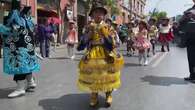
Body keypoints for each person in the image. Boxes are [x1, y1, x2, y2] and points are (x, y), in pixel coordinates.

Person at [77, 1, 124, 107]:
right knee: (94, 76)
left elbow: (112, 44)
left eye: (101, 12)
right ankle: (94, 96)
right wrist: (87, 37)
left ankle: (108, 95)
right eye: (96, 12)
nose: (98, 15)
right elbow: (80, 45)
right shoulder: (88, 27)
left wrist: (104, 35)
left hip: (106, 54)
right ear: (92, 15)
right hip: (92, 54)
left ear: (104, 15)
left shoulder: (108, 27)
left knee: (108, 75)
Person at [0, 0, 40, 98]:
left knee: (19, 66)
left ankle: (20, 89)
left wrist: (1, 28)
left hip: (19, 47)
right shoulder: (26, 18)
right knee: (26, 65)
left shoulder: (15, 16)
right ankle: (30, 82)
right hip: (28, 46)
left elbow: (14, 30)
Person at [179, 0, 195, 82]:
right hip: (190, 38)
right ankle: (192, 75)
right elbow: (181, 22)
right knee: (191, 58)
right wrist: (185, 17)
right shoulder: (189, 10)